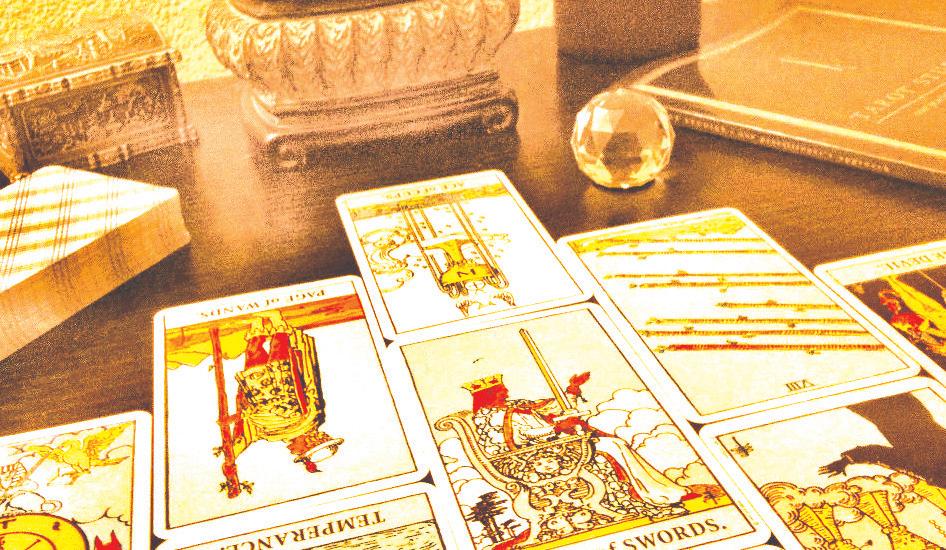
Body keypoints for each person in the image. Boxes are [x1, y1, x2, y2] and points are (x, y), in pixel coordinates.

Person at [463, 374, 696, 514]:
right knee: (612, 446)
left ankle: (659, 491)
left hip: (554, 448)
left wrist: (572, 389)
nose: (506, 393)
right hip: (533, 459)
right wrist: (556, 429)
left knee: (615, 443)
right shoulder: (489, 416)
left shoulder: (515, 407)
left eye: (504, 390)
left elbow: (556, 407)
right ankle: (644, 495)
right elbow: (521, 437)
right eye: (501, 392)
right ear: (488, 395)